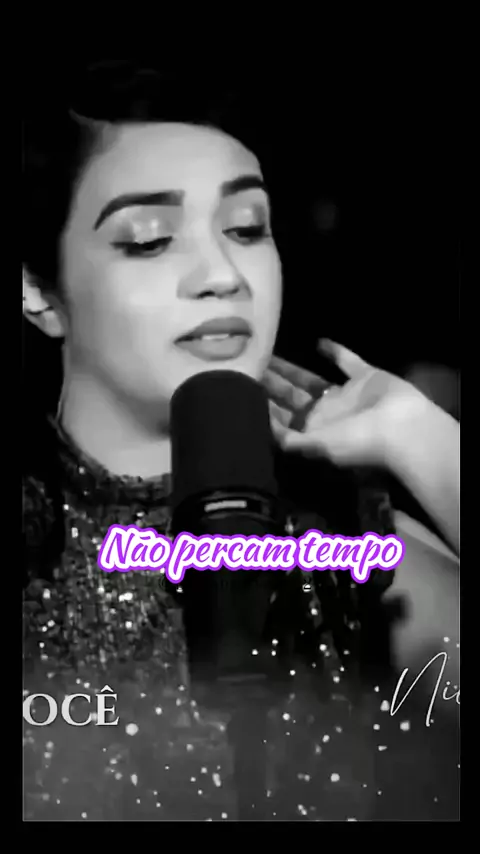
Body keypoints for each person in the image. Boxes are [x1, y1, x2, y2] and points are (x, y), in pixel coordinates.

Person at [23, 67, 459, 821]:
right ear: (36, 288)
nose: (222, 275)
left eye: (247, 228)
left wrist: (425, 439)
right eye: (150, 239)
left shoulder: (349, 559)